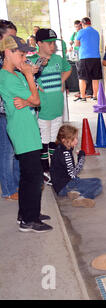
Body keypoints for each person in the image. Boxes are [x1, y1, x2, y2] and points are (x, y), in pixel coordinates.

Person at [0, 35, 52, 233]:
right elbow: (36, 99)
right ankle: (29, 221)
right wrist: (30, 77)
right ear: (8, 53)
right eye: (21, 54)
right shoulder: (5, 77)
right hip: (21, 130)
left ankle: (26, 213)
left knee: (28, 175)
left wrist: (28, 97)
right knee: (34, 176)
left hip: (28, 127)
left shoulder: (17, 75)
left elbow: (34, 98)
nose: (24, 59)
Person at [29, 28, 71, 185]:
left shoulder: (58, 59)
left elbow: (68, 69)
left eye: (54, 42)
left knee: (54, 140)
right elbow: (27, 78)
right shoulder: (32, 61)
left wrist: (61, 81)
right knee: (43, 141)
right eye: (48, 43)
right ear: (39, 43)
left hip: (57, 107)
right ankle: (45, 170)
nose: (52, 46)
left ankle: (54, 169)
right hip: (42, 110)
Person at [50, 124, 102, 208]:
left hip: (61, 184)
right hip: (64, 185)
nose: (76, 141)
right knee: (98, 184)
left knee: (95, 180)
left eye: (76, 138)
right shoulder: (65, 154)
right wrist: (81, 157)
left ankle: (74, 193)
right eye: (73, 139)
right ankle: (82, 198)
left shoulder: (61, 148)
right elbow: (73, 174)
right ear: (64, 140)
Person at [0, 20, 19, 201]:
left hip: (12, 110)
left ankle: (18, 184)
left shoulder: (8, 57)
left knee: (15, 150)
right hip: (2, 112)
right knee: (7, 152)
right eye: (9, 37)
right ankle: (8, 189)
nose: (13, 41)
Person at [75, 17, 102, 102]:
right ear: (90, 23)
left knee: (82, 78)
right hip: (96, 57)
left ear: (82, 24)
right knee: (95, 78)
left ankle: (83, 96)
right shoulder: (96, 32)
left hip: (84, 58)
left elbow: (77, 44)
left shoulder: (80, 32)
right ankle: (94, 96)